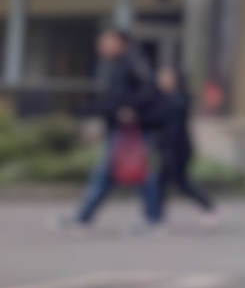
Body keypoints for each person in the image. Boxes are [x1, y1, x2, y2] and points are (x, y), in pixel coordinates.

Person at [57, 30, 161, 230]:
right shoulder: (117, 65)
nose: (102, 46)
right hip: (120, 128)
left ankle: (152, 218)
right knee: (112, 175)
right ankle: (84, 217)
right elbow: (111, 100)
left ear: (121, 43)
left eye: (106, 42)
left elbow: (149, 89)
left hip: (133, 131)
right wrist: (83, 111)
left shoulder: (134, 61)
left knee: (140, 173)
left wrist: (132, 108)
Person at [146, 66, 216, 224]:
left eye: (167, 77)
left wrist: (167, 149)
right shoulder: (159, 98)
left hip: (178, 148)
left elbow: (173, 128)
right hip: (167, 148)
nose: (162, 80)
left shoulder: (179, 99)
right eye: (161, 76)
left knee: (178, 183)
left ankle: (208, 207)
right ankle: (156, 217)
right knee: (164, 183)